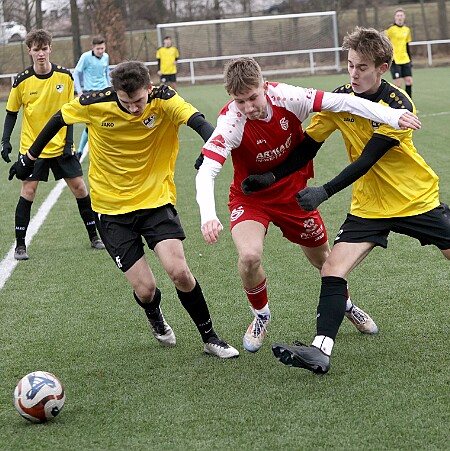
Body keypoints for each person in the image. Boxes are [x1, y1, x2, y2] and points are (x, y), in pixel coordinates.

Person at [240, 27, 449, 374]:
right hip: (369, 207)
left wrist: (324, 191)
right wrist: (271, 176)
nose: (353, 73)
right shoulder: (339, 99)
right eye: (350, 65)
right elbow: (307, 146)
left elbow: (367, 159)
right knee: (332, 270)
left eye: (362, 67)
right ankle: (320, 351)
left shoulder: (398, 105)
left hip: (415, 199)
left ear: (383, 68)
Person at [9, 60, 239, 359]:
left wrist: (211, 151)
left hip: (156, 201)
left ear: (148, 88)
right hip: (110, 210)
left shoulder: (164, 98)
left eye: (139, 100)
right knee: (145, 290)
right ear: (116, 92)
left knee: (179, 271)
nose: (134, 109)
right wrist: (29, 157)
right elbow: (58, 119)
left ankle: (210, 338)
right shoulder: (95, 103)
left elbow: (198, 122)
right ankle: (154, 314)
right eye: (126, 102)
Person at [195, 56, 420, 354]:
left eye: (253, 98)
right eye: (240, 101)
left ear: (264, 86)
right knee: (249, 256)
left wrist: (392, 116)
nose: (248, 107)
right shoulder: (231, 121)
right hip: (252, 198)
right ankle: (261, 315)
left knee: (325, 263)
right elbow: (207, 171)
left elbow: (343, 102)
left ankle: (346, 305)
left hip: (294, 195)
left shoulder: (289, 96)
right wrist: (208, 216)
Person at [1, 29, 104, 261]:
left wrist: (69, 144)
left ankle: (94, 236)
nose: (40, 53)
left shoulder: (64, 77)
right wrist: (5, 141)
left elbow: (70, 113)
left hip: (60, 148)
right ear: (29, 51)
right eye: (36, 49)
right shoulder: (22, 80)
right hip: (32, 150)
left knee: (80, 188)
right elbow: (10, 113)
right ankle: (20, 245)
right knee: (28, 191)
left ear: (50, 48)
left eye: (44, 48)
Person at [73, 35, 110, 158]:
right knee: (91, 124)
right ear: (93, 48)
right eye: (98, 48)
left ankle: (104, 149)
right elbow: (76, 73)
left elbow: (106, 73)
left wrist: (111, 89)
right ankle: (79, 151)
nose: (100, 51)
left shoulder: (106, 57)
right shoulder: (85, 57)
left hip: (105, 92)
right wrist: (79, 91)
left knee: (106, 121)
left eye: (102, 48)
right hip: (91, 93)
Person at [385, 8, 413, 97]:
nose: (399, 17)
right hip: (395, 60)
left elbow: (407, 45)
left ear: (404, 17)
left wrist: (410, 59)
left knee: (409, 81)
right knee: (398, 83)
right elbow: (385, 44)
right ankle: (398, 104)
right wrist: (388, 58)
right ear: (395, 17)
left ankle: (409, 103)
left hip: (405, 59)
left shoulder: (407, 29)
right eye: (398, 15)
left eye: (401, 15)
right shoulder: (390, 29)